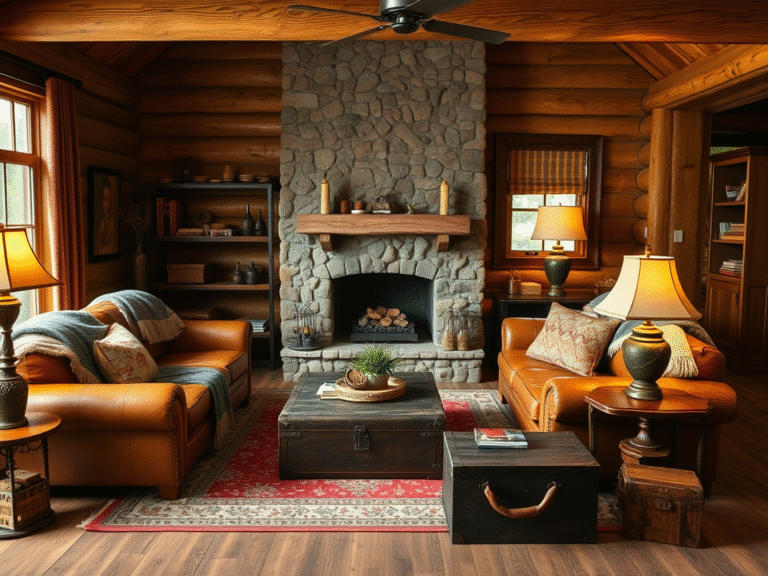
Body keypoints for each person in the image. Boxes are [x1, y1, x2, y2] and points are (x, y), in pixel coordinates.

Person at [96, 180, 118, 255]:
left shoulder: (111, 224)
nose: (106, 204)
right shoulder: (98, 224)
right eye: (104, 199)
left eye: (109, 200)